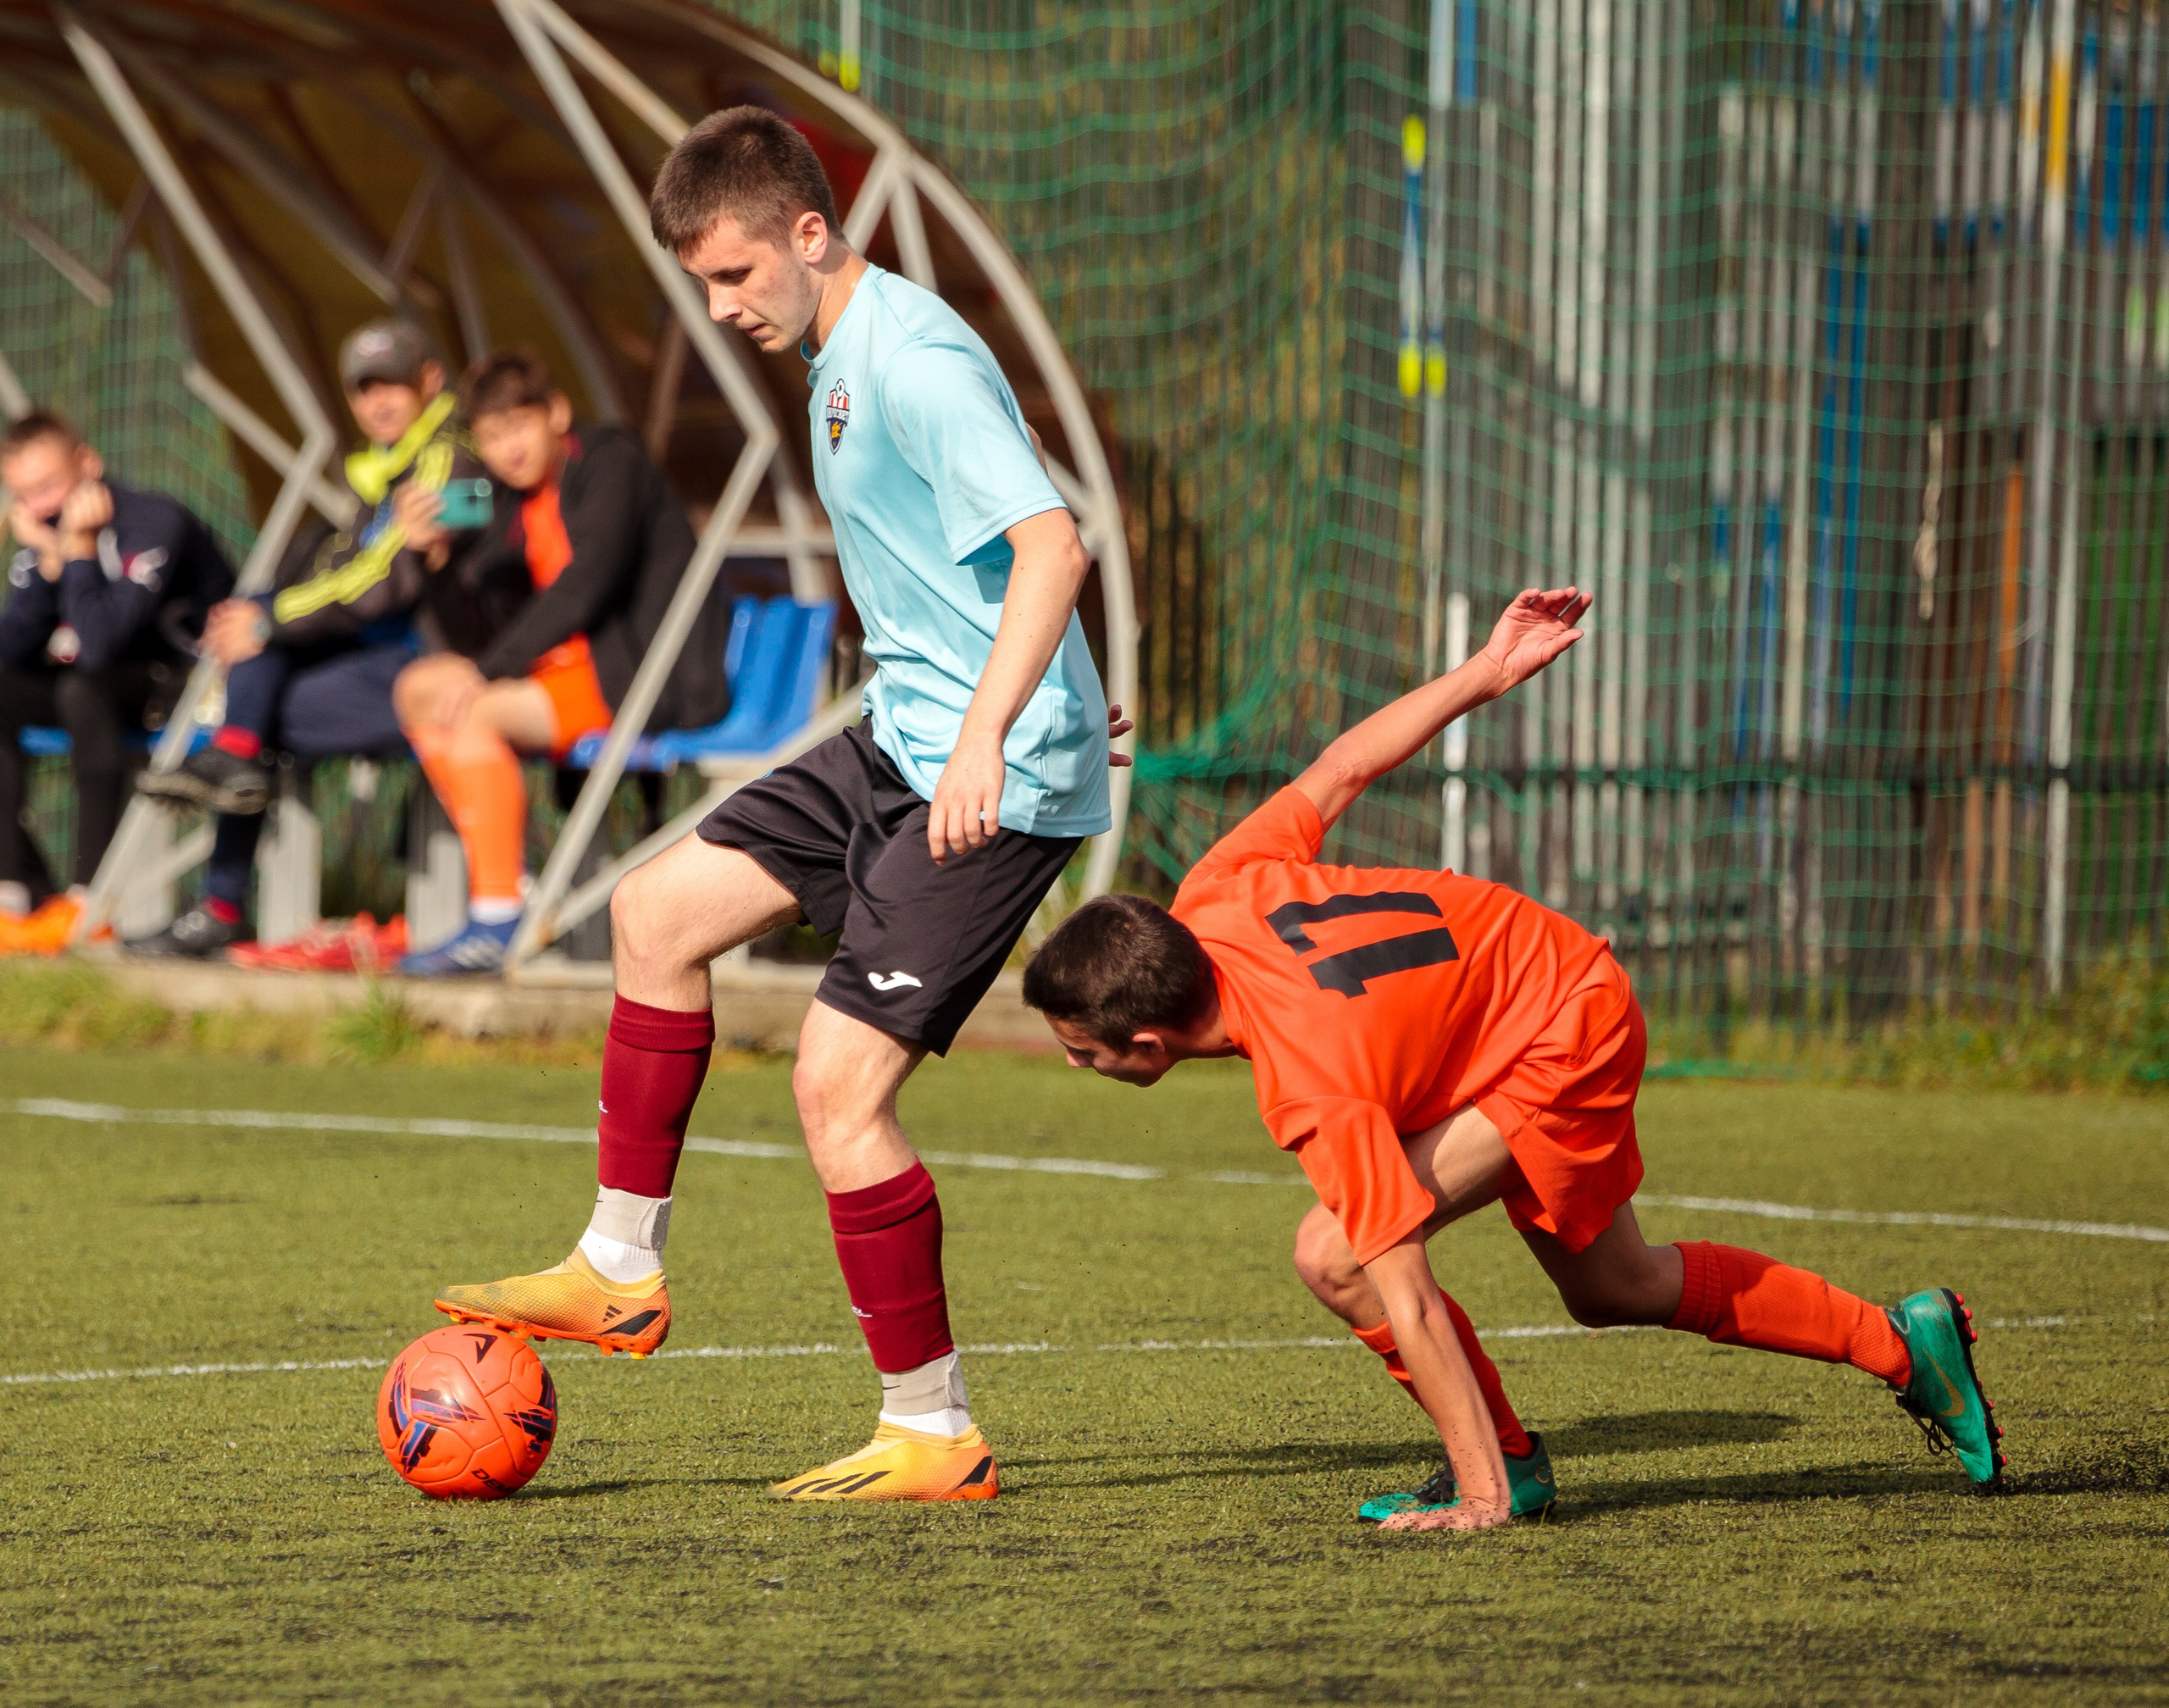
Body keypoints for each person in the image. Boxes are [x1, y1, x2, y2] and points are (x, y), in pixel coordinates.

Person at [435, 105, 1129, 1504]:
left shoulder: (916, 360)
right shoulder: (833, 358)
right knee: (653, 913)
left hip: (981, 778)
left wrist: (1002, 729)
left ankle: (932, 1428)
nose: (719, 305)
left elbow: (1055, 547)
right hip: (907, 739)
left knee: (836, 1089)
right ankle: (619, 1267)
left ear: (812, 233)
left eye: (735, 273)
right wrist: (1020, 693)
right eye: (700, 280)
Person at [1020, 586, 2005, 1533]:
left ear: (1147, 1043)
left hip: (1560, 1024)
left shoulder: (1314, 1084)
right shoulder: (1211, 892)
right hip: (1510, 1000)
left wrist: (1483, 1500)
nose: (1072, 1066)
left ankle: (1500, 1473)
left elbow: (1405, 1292)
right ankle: (1903, 1342)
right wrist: (1485, 671)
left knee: (1336, 1255)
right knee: (1614, 1289)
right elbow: (1342, 766)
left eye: (1080, 1050)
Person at [130, 319, 487, 958]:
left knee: (258, 686)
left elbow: (378, 587)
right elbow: (346, 575)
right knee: (257, 685)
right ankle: (230, 809)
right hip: (390, 664)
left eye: (392, 385)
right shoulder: (384, 469)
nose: (377, 402)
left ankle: (221, 896)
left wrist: (267, 621)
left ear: (431, 381)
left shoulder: (447, 460)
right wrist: (265, 619)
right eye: (363, 389)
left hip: (444, 674)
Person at [388, 349, 727, 976]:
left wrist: (488, 670)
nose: (508, 449)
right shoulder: (510, 502)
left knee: (474, 711)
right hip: (559, 675)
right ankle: (511, 878)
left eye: (518, 425)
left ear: (557, 413)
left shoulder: (611, 463)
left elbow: (585, 587)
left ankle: (498, 913)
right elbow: (475, 630)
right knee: (417, 689)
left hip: (639, 678)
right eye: (491, 438)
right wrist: (433, 562)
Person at [0, 410, 234, 951]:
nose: (41, 507)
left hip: (184, 688)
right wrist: (50, 563)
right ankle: (16, 895)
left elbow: (101, 645)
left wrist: (78, 552)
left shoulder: (155, 521)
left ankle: (90, 900)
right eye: (24, 495)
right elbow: (10, 654)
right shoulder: (46, 539)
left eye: (49, 487)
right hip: (95, 687)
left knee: (81, 690)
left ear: (88, 464)